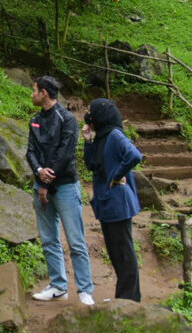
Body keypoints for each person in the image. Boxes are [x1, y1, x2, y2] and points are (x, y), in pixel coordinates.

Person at [26, 75, 95, 306]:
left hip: (64, 186)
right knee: (48, 239)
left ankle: (85, 290)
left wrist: (45, 182)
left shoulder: (67, 119)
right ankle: (58, 286)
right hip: (41, 185)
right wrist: (38, 171)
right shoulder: (35, 120)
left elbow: (65, 154)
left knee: (76, 241)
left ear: (44, 93)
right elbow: (30, 151)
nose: (32, 94)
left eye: (34, 90)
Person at [83, 97, 144, 302]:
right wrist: (88, 141)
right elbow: (91, 165)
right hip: (107, 202)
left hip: (118, 201)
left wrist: (116, 175)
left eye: (91, 111)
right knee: (115, 252)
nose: (88, 115)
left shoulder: (115, 135)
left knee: (124, 253)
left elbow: (134, 155)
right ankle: (124, 297)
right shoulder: (101, 137)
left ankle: (129, 299)